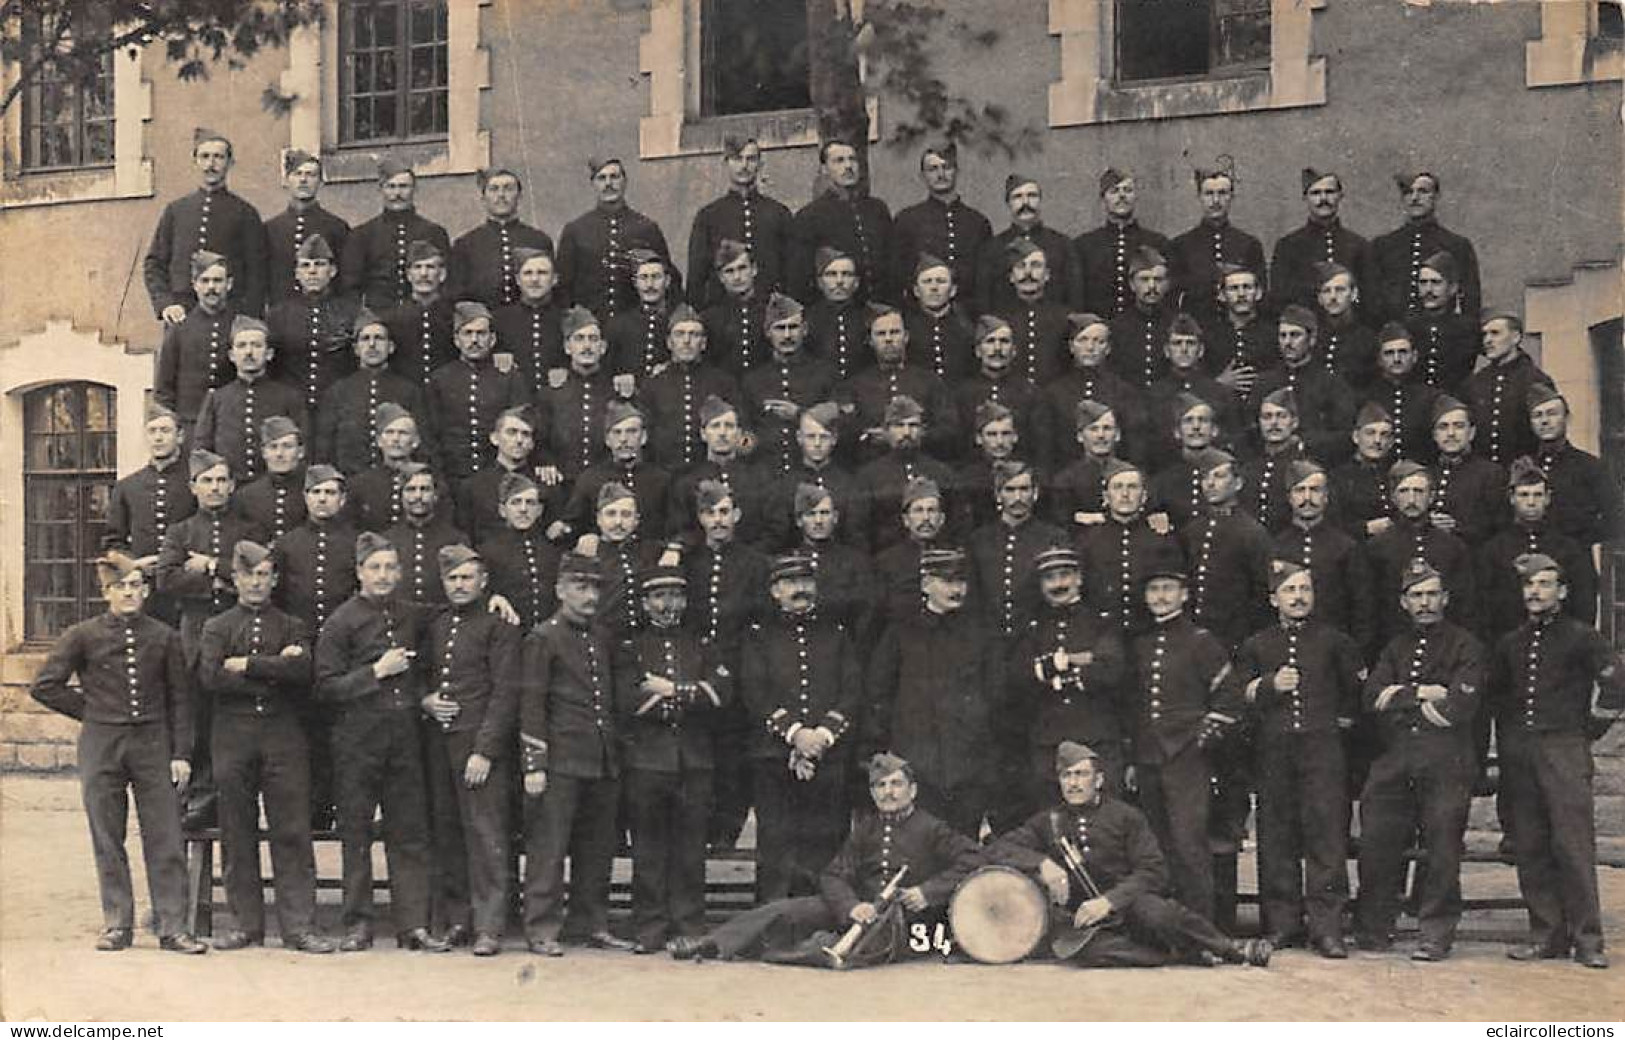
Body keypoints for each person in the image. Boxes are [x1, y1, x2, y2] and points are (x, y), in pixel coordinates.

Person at [30, 551, 207, 955]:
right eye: (120, 587)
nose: (129, 594)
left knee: (165, 835)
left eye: (135, 587)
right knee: (107, 835)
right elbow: (45, 685)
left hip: (153, 743)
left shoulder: (165, 637)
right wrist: (92, 712)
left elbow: (182, 701)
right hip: (102, 744)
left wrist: (182, 753)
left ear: (145, 591)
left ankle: (173, 927)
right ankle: (117, 924)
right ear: (106, 592)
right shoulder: (83, 635)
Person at [669, 752, 979, 966]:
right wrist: (851, 906)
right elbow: (833, 874)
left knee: (850, 947)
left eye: (897, 784)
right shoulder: (866, 828)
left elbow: (974, 861)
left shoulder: (932, 828)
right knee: (784, 910)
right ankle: (711, 944)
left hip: (900, 920)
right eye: (881, 786)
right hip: (859, 909)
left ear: (912, 791)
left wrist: (927, 892)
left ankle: (798, 950)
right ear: (872, 794)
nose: (889, 793)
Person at [986, 742, 1271, 968]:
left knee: (1160, 914)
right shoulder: (1048, 821)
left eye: (1081, 775)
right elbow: (998, 849)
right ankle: (1180, 956)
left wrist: (1109, 902)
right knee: (1085, 951)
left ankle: (1227, 947)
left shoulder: (1125, 817)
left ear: (1098, 780)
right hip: (1085, 919)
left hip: (1129, 905)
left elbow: (1153, 871)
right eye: (1066, 776)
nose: (1073, 783)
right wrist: (1043, 864)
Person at [313, 532, 449, 953]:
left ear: (401, 572)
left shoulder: (412, 614)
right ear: (359, 573)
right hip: (357, 740)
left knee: (409, 832)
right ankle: (358, 924)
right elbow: (325, 687)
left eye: (391, 567)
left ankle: (413, 925)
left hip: (405, 737)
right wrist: (376, 672)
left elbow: (451, 619)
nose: (383, 575)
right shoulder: (341, 621)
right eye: (374, 567)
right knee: (356, 834)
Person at [1487, 553, 1623, 970]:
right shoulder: (1512, 642)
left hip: (1564, 748)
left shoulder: (1583, 637)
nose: (1536, 592)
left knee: (1573, 845)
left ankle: (1588, 940)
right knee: (1530, 844)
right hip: (1521, 753)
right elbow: (1500, 696)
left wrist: (1590, 728)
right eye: (1529, 585)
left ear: (1562, 592)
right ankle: (1546, 935)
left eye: (1545, 584)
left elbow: (1617, 684)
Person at [197, 540, 333, 953]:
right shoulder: (217, 627)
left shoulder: (293, 625)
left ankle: (299, 927)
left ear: (274, 580)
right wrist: (277, 666)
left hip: (283, 736)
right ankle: (245, 925)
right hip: (233, 736)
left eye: (263, 575)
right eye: (247, 575)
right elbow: (211, 678)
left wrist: (249, 665)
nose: (255, 583)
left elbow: (303, 673)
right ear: (234, 579)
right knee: (237, 831)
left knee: (291, 830)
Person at [1356, 558, 1483, 960]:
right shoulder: (1395, 647)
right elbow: (1372, 697)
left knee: (1443, 844)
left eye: (1431, 594)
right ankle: (1375, 926)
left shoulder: (1466, 645)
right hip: (1396, 758)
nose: (1424, 603)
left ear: (1445, 598)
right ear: (1403, 603)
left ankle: (1436, 931)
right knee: (1377, 836)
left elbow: (1460, 705)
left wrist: (1401, 695)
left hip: (1446, 760)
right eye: (1416, 596)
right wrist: (1424, 691)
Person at [1235, 560, 1361, 957]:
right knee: (1276, 836)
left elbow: (1353, 696)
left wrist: (1331, 729)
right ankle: (1282, 924)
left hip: (1323, 751)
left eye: (1305, 589)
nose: (1298, 597)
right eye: (1289, 591)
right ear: (1274, 599)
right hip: (1273, 752)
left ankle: (1327, 928)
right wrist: (1270, 685)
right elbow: (1240, 697)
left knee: (1326, 837)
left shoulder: (1335, 641)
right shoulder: (1257, 645)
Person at [519, 536, 637, 956]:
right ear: (560, 590)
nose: (589, 597)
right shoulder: (543, 638)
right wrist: (534, 763)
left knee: (597, 848)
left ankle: (591, 922)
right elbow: (531, 703)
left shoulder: (601, 636)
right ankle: (541, 927)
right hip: (561, 761)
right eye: (580, 588)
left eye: (595, 589)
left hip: (601, 759)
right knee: (549, 848)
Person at [615, 550, 731, 953]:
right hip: (646, 761)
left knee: (690, 847)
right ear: (645, 603)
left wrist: (669, 690)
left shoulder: (702, 644)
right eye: (659, 597)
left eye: (675, 596)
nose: (668, 605)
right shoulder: (630, 647)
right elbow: (626, 699)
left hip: (695, 760)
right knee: (648, 847)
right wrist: (689, 694)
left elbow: (721, 695)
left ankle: (689, 923)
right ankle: (648, 927)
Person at [741, 553, 864, 902]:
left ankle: (822, 919)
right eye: (790, 583)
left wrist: (822, 735)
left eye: (807, 582)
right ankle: (772, 924)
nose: (800, 590)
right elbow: (755, 690)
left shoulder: (836, 634)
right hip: (773, 754)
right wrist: (795, 734)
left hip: (830, 752)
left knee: (827, 842)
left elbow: (851, 689)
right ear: (775, 591)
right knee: (777, 841)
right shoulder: (758, 636)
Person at [418, 545, 521, 957]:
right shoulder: (438, 624)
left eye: (467, 578)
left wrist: (485, 750)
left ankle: (490, 925)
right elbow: (421, 674)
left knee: (486, 834)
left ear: (483, 582)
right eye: (452, 579)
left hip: (478, 746)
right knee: (447, 833)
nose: (459, 586)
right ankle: (458, 918)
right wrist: (425, 700)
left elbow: (506, 694)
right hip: (440, 745)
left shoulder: (499, 627)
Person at [155, 448, 265, 829]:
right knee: (197, 708)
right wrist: (221, 581)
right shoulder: (180, 531)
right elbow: (167, 578)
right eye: (207, 481)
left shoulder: (250, 530)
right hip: (197, 629)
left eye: (221, 480)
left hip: (241, 629)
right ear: (194, 487)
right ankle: (201, 795)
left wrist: (211, 566)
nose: (215, 488)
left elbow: (259, 573)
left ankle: (235, 791)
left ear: (232, 486)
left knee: (235, 706)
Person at [1127, 562, 1243, 922]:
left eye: (1168, 588)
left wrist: (1202, 739)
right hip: (1148, 757)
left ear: (1184, 594)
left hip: (1188, 759)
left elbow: (1228, 697)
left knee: (1188, 842)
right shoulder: (1141, 644)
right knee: (1153, 845)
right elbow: (1133, 704)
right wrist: (1133, 756)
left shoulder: (1201, 642)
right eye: (1154, 590)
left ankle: (1200, 927)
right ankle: (1162, 925)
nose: (1161, 597)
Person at [867, 548, 1000, 837]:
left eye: (961, 582)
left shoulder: (980, 632)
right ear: (926, 584)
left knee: (963, 845)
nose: (956, 589)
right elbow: (879, 692)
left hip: (969, 766)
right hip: (917, 766)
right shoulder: (902, 632)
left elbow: (996, 693)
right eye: (947, 581)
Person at [271, 464, 357, 831]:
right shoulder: (287, 544)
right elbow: (275, 600)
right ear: (305, 497)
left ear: (342, 499)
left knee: (342, 738)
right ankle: (311, 812)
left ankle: (343, 808)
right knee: (303, 737)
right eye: (316, 493)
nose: (323, 500)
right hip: (301, 655)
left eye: (330, 493)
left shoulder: (356, 542)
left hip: (345, 658)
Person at [1007, 546, 1128, 806]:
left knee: (1104, 815)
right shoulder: (1031, 627)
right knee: (1051, 817)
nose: (1058, 584)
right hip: (1048, 738)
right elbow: (1019, 676)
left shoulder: (1101, 622)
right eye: (1050, 578)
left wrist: (1056, 668)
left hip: (1095, 734)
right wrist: (1082, 659)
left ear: (1079, 579)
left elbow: (1111, 670)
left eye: (1065, 575)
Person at [145, 127, 266, 322]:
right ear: (195, 162)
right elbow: (154, 263)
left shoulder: (245, 213)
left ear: (230, 163)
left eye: (218, 157)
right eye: (205, 157)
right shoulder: (176, 211)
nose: (211, 164)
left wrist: (247, 317)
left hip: (229, 314)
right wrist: (166, 303)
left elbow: (257, 272)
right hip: (182, 314)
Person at [104, 403, 197, 624]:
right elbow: (113, 543)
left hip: (187, 587)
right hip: (145, 590)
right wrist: (135, 564)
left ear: (180, 436)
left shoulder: (195, 483)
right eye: (152, 431)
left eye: (165, 431)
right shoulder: (127, 487)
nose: (158, 438)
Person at [556, 156, 672, 320]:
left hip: (634, 327)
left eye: (614, 177)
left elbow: (668, 279)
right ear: (593, 184)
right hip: (590, 328)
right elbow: (563, 287)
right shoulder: (575, 230)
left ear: (625, 182)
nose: (608, 184)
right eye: (602, 178)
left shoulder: (646, 228)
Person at [193, 317, 307, 483]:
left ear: (269, 354)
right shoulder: (217, 398)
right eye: (242, 346)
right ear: (232, 355)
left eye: (256, 345)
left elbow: (303, 449)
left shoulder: (289, 397)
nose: (249, 352)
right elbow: (202, 452)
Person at [315, 311, 429, 475]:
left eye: (379, 338)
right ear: (356, 349)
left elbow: (423, 447)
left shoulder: (409, 391)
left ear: (390, 347)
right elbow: (324, 450)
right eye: (365, 339)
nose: (372, 345)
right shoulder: (338, 392)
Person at [687, 136, 793, 308]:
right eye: (737, 159)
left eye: (750, 159)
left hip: (769, 311)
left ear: (760, 164)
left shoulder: (778, 213)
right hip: (723, 311)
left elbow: (790, 271)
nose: (744, 166)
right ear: (726, 163)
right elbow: (697, 276)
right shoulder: (708, 216)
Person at [742, 294, 840, 477]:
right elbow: (746, 429)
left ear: (804, 329)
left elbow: (839, 422)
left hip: (811, 470)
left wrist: (800, 414)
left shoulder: (825, 374)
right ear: (768, 332)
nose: (787, 335)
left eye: (793, 327)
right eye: (780, 328)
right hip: (765, 474)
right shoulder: (752, 380)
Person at [264, 233, 361, 416]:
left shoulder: (351, 313)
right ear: (297, 274)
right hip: (291, 408)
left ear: (332, 271)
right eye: (305, 266)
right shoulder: (278, 315)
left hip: (339, 407)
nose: (312, 271)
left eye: (319, 264)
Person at [890, 142, 993, 309]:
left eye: (946, 167)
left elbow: (985, 279)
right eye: (933, 169)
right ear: (922, 176)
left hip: (968, 313)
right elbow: (897, 275)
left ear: (956, 172)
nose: (940, 174)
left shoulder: (977, 222)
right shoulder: (907, 220)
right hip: (921, 314)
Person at [1371, 169, 1481, 324]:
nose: (1415, 198)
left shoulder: (1457, 245)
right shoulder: (1383, 245)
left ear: (1436, 196)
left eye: (1423, 191)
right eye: (1409, 192)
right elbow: (1373, 300)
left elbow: (1470, 303)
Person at [341, 156, 452, 310]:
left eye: (404, 186)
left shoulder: (434, 232)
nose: (397, 193)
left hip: (421, 314)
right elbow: (351, 285)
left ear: (415, 189)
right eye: (391, 187)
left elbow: (446, 283)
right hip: (378, 318)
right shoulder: (362, 235)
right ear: (381, 189)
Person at [790, 139, 893, 304]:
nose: (848, 166)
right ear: (824, 169)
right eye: (839, 161)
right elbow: (801, 278)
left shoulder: (877, 209)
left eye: (852, 160)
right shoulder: (810, 216)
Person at [641, 304, 741, 472]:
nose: (686, 341)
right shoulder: (652, 385)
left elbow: (742, 430)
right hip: (664, 472)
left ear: (703, 343)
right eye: (680, 334)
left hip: (710, 472)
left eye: (693, 335)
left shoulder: (723, 383)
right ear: (669, 343)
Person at [1168, 158, 1266, 327]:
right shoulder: (1181, 245)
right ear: (1199, 197)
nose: (1215, 201)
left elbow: (1261, 295)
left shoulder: (1249, 244)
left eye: (1222, 193)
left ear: (1231, 197)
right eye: (1209, 194)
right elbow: (1173, 298)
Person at [153, 251, 240, 436]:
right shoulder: (179, 330)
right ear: (195, 285)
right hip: (190, 426)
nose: (211, 287)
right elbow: (164, 391)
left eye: (218, 281)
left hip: (232, 426)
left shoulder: (239, 326)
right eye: (205, 281)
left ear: (229, 284)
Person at [1529, 383, 1624, 551]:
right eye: (1537, 416)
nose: (1544, 421)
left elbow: (1617, 518)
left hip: (1576, 563)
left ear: (1567, 418)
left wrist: (1578, 539)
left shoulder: (1590, 466)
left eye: (1552, 414)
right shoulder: (1525, 465)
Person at [1267, 168, 1375, 317]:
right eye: (1316, 193)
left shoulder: (1359, 245)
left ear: (1340, 196)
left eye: (1330, 192)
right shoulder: (1288, 246)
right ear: (1305, 198)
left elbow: (1370, 298)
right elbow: (1280, 298)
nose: (1323, 199)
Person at [1074, 167, 1173, 321]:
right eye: (1114, 191)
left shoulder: (1157, 242)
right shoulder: (1084, 245)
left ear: (1136, 196)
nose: (1121, 196)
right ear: (1103, 198)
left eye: (1127, 190)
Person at [975, 174, 1081, 315]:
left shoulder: (1062, 245)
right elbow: (984, 302)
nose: (1025, 202)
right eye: (1017, 197)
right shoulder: (992, 248)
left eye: (1032, 196)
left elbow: (1076, 298)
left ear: (1040, 201)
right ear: (1008, 203)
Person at [449, 168, 555, 308]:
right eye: (494, 189)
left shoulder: (539, 240)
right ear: (483, 198)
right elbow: (458, 295)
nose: (501, 195)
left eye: (508, 189)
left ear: (519, 196)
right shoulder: (465, 244)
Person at [1466, 310, 1553, 467]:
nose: (1487, 340)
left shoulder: (1534, 380)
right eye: (1484, 335)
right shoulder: (1477, 382)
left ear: (1515, 337)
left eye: (1495, 333)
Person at [264, 149, 350, 305]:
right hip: (281, 312)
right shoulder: (271, 229)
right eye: (297, 174)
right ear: (286, 180)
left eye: (310, 175)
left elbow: (345, 279)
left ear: (321, 182)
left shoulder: (337, 227)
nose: (303, 180)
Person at [380, 239, 455, 386]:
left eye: (430, 267)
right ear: (408, 275)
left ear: (442, 274)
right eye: (417, 267)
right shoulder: (392, 318)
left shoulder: (453, 315)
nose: (424, 274)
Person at [493, 248, 568, 392]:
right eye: (528, 273)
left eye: (542, 273)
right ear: (517, 280)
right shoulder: (499, 320)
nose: (534, 279)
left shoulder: (567, 318)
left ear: (554, 279)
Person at [1404, 250, 1480, 392]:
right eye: (1423, 283)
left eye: (1436, 282)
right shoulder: (1408, 327)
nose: (1428, 290)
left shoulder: (1468, 328)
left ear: (1452, 288)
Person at [902, 254, 978, 385]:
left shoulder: (966, 328)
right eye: (927, 281)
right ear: (916, 291)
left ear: (953, 290)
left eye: (941, 281)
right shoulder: (906, 326)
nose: (934, 288)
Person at [235, 416, 310, 544]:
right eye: (273, 447)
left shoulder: (314, 491)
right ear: (264, 452)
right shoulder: (246, 496)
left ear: (301, 452)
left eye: (287, 446)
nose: (279, 454)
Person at [606, 249, 677, 379]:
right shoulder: (619, 325)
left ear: (667, 281)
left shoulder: (678, 321)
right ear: (635, 283)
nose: (650, 285)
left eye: (656, 277)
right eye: (643, 277)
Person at [806, 247, 867, 384]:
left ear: (856, 282)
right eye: (831, 274)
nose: (839, 281)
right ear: (820, 282)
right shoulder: (808, 318)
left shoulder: (868, 315)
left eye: (846, 274)